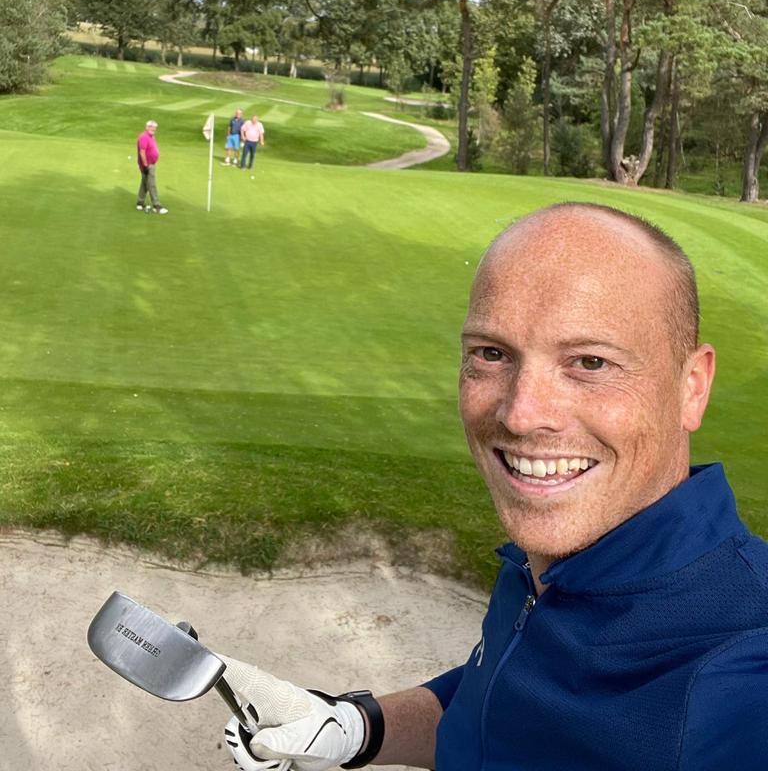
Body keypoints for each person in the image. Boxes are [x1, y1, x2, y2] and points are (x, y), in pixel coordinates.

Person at [215, 202, 768, 771]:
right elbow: (502, 703)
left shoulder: (742, 679)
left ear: (692, 387)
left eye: (590, 363)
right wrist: (356, 729)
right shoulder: (563, 554)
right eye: (492, 354)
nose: (522, 415)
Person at [135, 120, 168, 215]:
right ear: (147, 127)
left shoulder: (151, 136)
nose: (153, 129)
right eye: (151, 127)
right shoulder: (144, 137)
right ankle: (157, 206)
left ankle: (140, 203)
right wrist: (145, 165)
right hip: (147, 165)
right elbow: (142, 152)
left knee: (145, 184)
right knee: (151, 185)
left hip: (150, 164)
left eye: (154, 128)